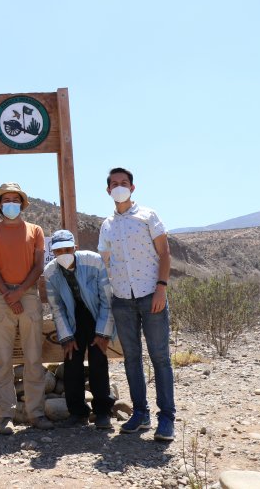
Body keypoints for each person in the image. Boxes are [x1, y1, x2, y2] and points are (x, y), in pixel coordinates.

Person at [98, 167, 175, 441]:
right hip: (122, 300)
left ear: (132, 187)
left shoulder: (148, 216)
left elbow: (164, 253)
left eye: (124, 183)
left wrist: (161, 289)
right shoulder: (107, 225)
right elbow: (104, 262)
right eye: (114, 184)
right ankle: (140, 414)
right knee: (131, 359)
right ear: (108, 191)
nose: (119, 187)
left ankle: (166, 418)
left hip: (150, 295)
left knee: (160, 357)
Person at [0, 182, 52, 434]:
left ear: (21, 203)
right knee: (2, 359)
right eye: (6, 199)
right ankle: (6, 415)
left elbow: (38, 266)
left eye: (15, 199)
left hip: (29, 294)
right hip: (0, 296)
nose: (11, 203)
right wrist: (8, 295)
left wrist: (18, 292)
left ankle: (36, 413)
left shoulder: (36, 230)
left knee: (33, 357)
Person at [44, 230, 116, 429]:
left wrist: (103, 333)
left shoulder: (93, 261)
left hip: (96, 316)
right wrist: (66, 337)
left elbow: (106, 300)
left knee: (98, 362)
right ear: (53, 252)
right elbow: (56, 307)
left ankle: (103, 411)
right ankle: (77, 412)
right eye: (58, 251)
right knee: (71, 363)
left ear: (75, 248)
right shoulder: (50, 272)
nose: (63, 254)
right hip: (71, 320)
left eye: (67, 249)